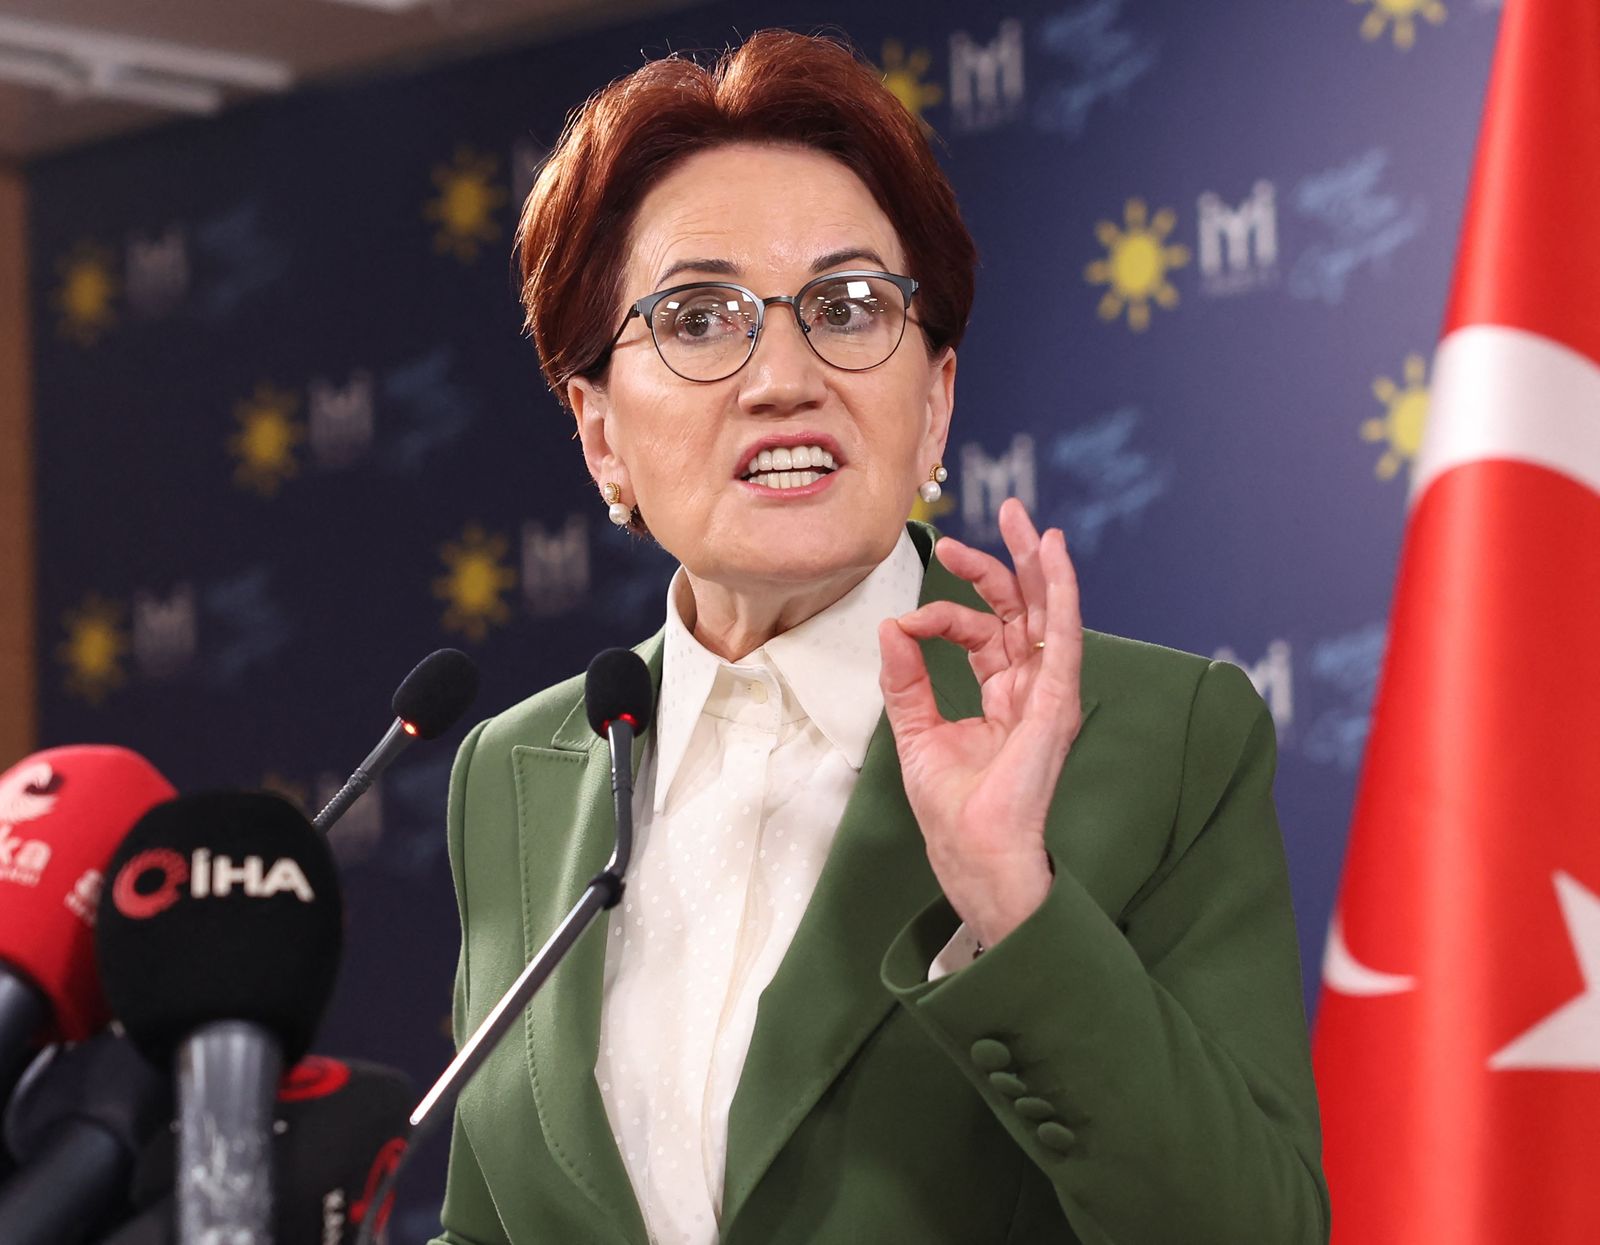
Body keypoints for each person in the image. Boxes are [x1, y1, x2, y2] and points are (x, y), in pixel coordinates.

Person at [431, 29, 1327, 1245]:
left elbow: (1254, 1229)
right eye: (698, 319)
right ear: (600, 437)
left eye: (849, 307)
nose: (783, 377)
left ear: (936, 402)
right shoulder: (513, 772)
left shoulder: (1156, 743)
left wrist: (1015, 905)